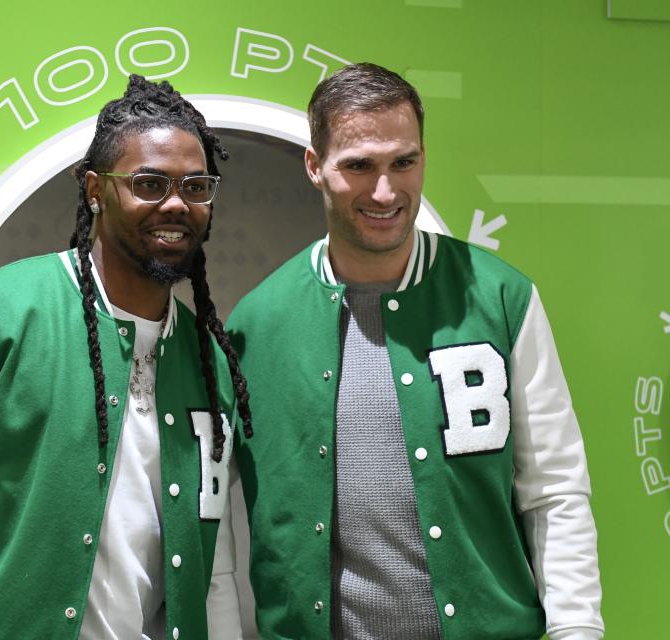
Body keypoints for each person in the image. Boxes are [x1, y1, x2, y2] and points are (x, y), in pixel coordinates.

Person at [0, 74, 253, 640]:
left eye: (196, 186)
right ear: (94, 189)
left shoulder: (209, 364)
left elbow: (215, 569)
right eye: (150, 183)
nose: (177, 204)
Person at [227, 63, 603, 639]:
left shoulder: (501, 297)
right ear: (314, 167)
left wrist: (578, 631)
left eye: (404, 162)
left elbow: (554, 492)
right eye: (359, 166)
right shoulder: (255, 324)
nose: (385, 191)